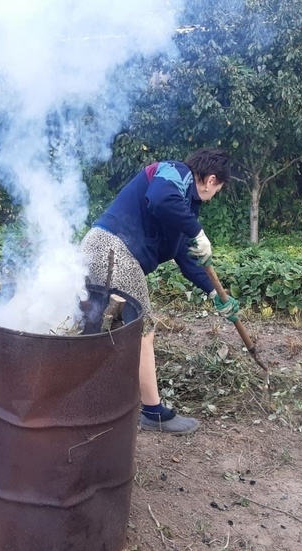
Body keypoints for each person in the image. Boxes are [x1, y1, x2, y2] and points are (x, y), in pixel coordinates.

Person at [81, 147, 239, 435]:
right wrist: (197, 232)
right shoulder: (174, 172)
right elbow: (159, 199)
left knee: (100, 327)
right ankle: (154, 413)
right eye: (219, 189)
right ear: (211, 180)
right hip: (112, 249)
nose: (215, 195)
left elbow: (184, 255)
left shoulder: (185, 207)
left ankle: (87, 398)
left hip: (105, 250)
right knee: (143, 330)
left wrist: (214, 293)